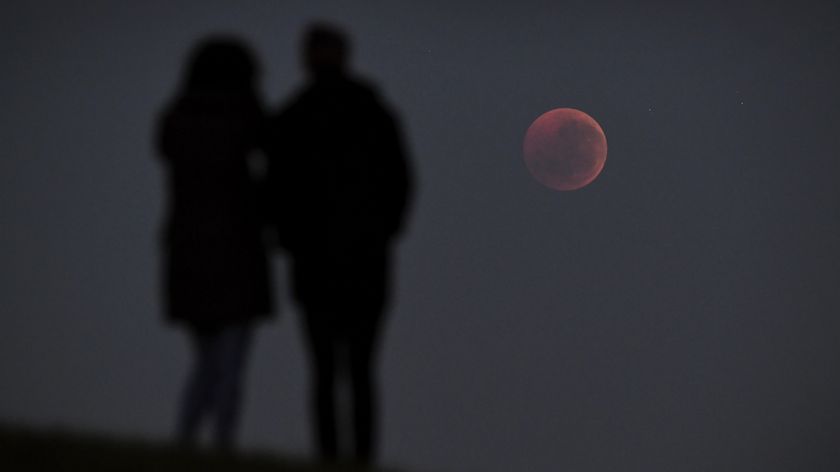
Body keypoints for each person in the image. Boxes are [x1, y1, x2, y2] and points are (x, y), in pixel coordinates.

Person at [263, 23, 413, 464]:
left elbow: (274, 191)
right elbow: (402, 184)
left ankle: (330, 455)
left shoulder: (294, 116)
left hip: (318, 263)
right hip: (364, 262)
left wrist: (289, 238)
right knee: (360, 371)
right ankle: (359, 456)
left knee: (327, 370)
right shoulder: (373, 113)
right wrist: (383, 231)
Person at [156, 37, 273, 450]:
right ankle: (220, 443)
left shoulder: (179, 118)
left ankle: (187, 439)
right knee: (229, 365)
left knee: (206, 363)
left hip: (188, 256)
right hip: (238, 253)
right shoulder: (244, 117)